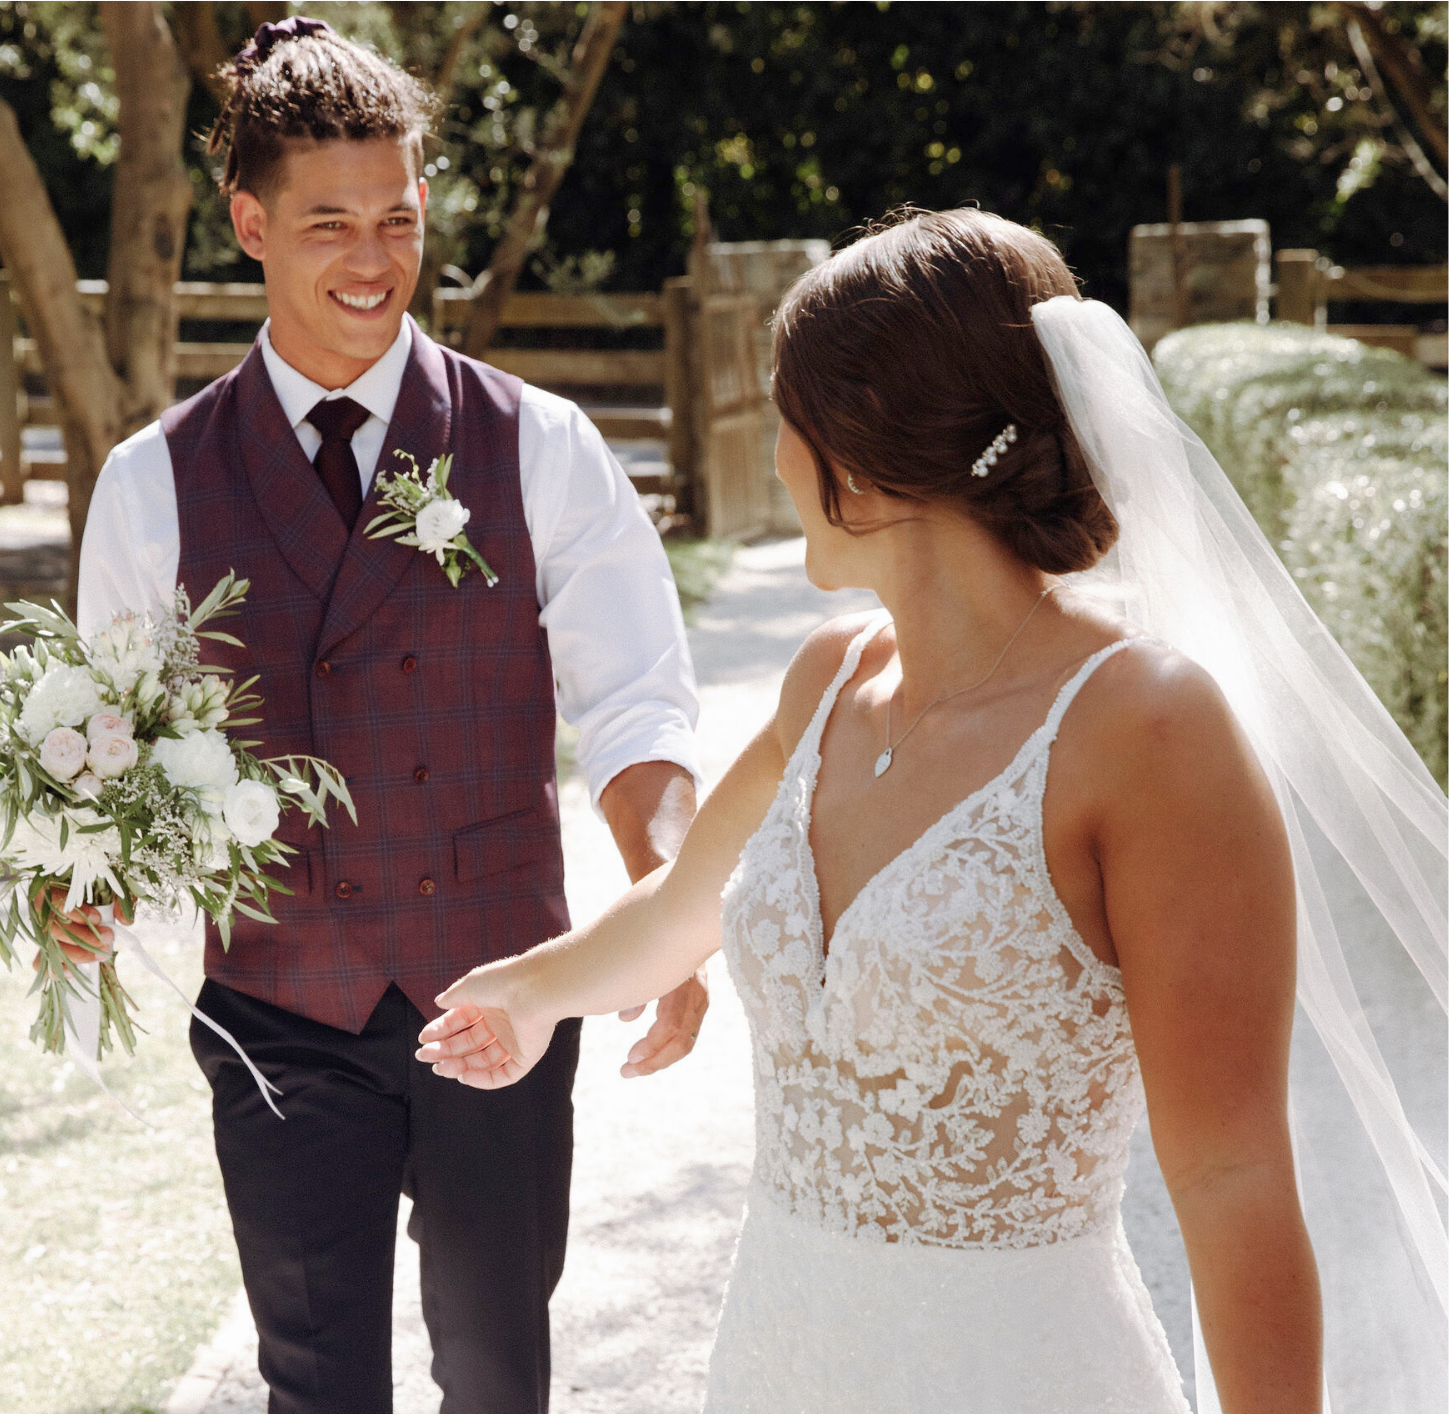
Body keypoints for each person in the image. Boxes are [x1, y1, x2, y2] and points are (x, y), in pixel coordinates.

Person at [421, 207, 1446, 1412]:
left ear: (852, 458)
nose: (781, 458)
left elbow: (1229, 1173)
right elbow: (679, 908)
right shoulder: (827, 680)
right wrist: (529, 992)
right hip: (778, 1358)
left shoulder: (1147, 730)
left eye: (787, 420)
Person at [70, 18, 708, 1414]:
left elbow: (635, 700)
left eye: (400, 219)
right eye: (330, 225)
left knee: (496, 1373)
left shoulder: (537, 443)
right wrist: (88, 884)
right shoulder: (151, 480)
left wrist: (668, 895)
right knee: (316, 1383)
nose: (373, 260)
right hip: (277, 1005)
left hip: (501, 988)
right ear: (247, 221)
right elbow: (112, 749)